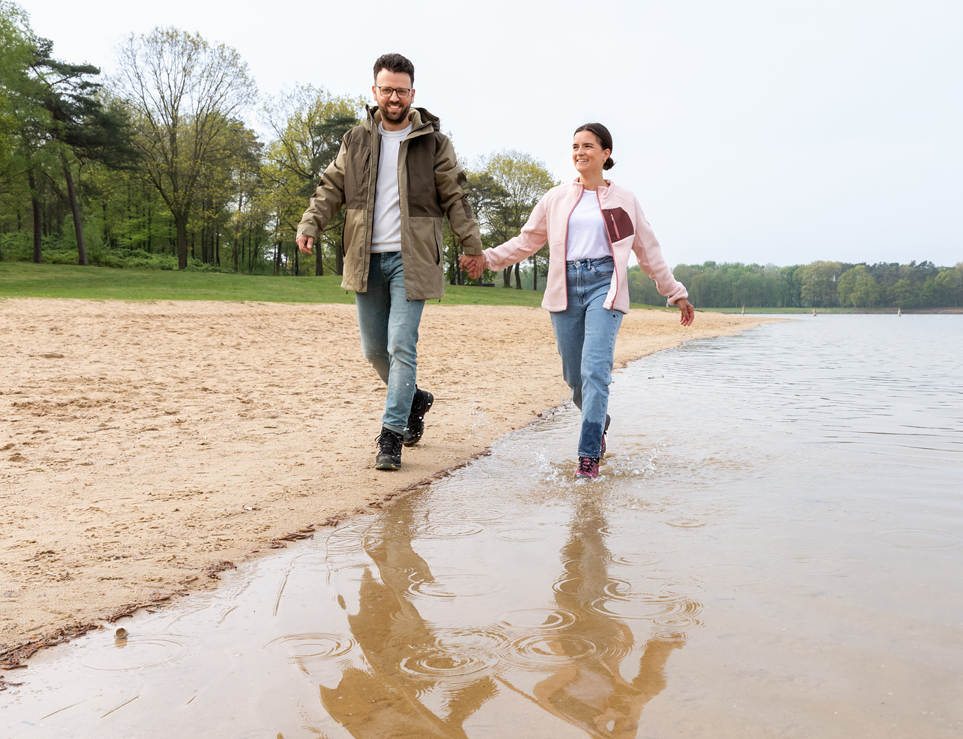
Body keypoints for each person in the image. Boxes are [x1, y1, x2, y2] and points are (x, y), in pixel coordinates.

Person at [461, 123, 693, 479]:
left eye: (587, 146)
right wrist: (486, 258)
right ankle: (598, 419)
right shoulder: (555, 198)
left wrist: (675, 292)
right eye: (574, 146)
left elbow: (648, 251)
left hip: (605, 284)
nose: (579, 152)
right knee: (575, 377)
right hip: (565, 287)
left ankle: (588, 458)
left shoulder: (624, 200)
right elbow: (526, 241)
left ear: (605, 154)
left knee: (595, 371)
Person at [296, 53, 483, 471]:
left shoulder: (434, 142)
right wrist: (311, 223)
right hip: (364, 258)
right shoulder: (356, 139)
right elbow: (331, 186)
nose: (394, 96)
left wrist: (472, 246)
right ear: (374, 91)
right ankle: (415, 399)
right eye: (386, 89)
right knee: (374, 349)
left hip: (412, 260)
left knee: (401, 345)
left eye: (401, 90)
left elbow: (455, 194)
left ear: (412, 93)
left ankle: (391, 435)